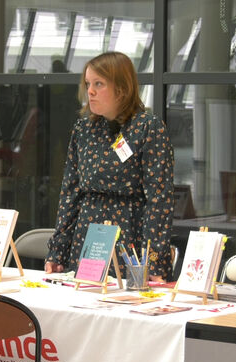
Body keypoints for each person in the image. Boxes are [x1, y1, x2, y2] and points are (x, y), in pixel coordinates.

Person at [44, 52, 174, 282]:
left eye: (99, 84)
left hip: (130, 242)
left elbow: (159, 200)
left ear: (122, 88)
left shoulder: (147, 128)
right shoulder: (84, 129)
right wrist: (58, 249)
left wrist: (153, 262)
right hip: (87, 241)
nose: (90, 91)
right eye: (87, 84)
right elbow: (70, 193)